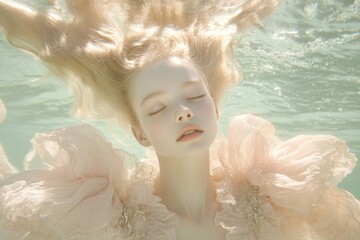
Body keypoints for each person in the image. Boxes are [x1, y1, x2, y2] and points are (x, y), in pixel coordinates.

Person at [0, 0, 359, 239]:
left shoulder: (271, 194)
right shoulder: (109, 218)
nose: (183, 111)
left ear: (216, 108)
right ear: (139, 132)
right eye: (157, 108)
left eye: (195, 95)